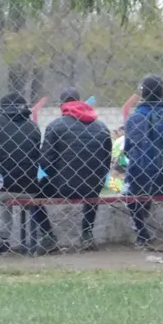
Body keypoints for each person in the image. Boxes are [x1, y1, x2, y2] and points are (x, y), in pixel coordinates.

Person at [0, 93, 49, 252]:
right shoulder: (33, 126)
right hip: (29, 188)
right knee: (6, 188)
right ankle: (4, 239)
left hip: (1, 187)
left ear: (3, 108)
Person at [41, 88, 112, 248]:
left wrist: (54, 177)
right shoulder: (101, 126)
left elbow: (45, 161)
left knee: (31, 194)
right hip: (93, 186)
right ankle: (87, 232)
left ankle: (47, 235)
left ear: (61, 105)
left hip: (62, 187)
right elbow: (106, 161)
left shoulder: (55, 126)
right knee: (93, 182)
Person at [124, 76, 163, 250]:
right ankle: (144, 224)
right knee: (144, 175)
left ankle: (142, 233)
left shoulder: (136, 118)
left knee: (131, 186)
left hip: (142, 182)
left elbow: (128, 150)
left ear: (143, 93)